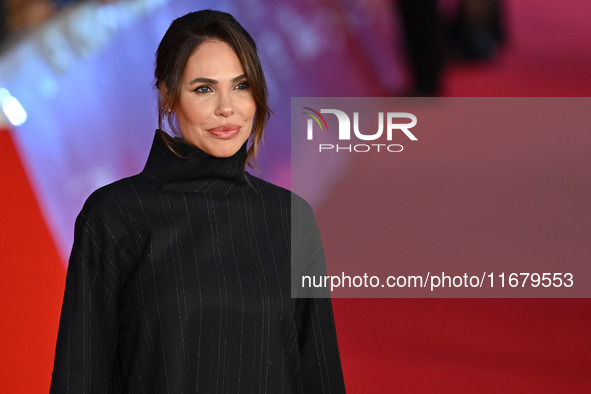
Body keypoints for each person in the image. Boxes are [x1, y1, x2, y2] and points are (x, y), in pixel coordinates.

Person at [50, 10, 346, 393]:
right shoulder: (114, 215)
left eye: (241, 86)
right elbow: (80, 375)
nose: (227, 107)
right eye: (204, 89)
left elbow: (319, 376)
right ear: (168, 96)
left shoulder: (289, 218)